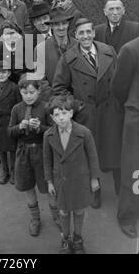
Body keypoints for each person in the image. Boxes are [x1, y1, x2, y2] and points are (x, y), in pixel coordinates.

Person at [52, 18, 123, 208]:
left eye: (88, 32)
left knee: (115, 150)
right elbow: (59, 88)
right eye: (81, 33)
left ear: (94, 33)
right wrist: (77, 106)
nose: (85, 36)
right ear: (76, 35)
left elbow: (119, 79)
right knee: (91, 154)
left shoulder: (109, 51)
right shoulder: (68, 58)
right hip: (87, 113)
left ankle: (120, 190)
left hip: (110, 112)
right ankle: (96, 191)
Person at [43, 95, 101, 254]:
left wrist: (94, 178)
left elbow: (93, 156)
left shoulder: (84, 132)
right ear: (51, 117)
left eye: (64, 113)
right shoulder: (48, 135)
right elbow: (46, 160)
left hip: (80, 180)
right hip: (60, 181)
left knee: (79, 210)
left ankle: (78, 239)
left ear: (71, 113)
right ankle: (65, 239)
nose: (61, 118)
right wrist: (49, 181)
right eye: (56, 114)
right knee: (63, 211)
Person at [8, 77, 50, 237]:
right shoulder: (16, 109)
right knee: (28, 187)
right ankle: (35, 219)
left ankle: (56, 216)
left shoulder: (46, 108)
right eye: (25, 93)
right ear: (20, 92)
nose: (29, 96)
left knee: (47, 187)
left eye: (32, 92)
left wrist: (40, 128)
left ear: (39, 91)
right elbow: (10, 131)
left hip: (41, 152)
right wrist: (20, 127)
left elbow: (52, 131)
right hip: (23, 154)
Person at [112, 35, 139, 239]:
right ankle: (127, 216)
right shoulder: (131, 49)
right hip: (137, 116)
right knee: (134, 167)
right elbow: (118, 88)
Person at [35, 8, 77, 87]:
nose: (61, 27)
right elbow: (41, 81)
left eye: (64, 23)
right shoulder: (41, 49)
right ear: (51, 26)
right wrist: (54, 97)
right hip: (54, 96)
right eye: (57, 24)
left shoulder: (78, 45)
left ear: (68, 24)